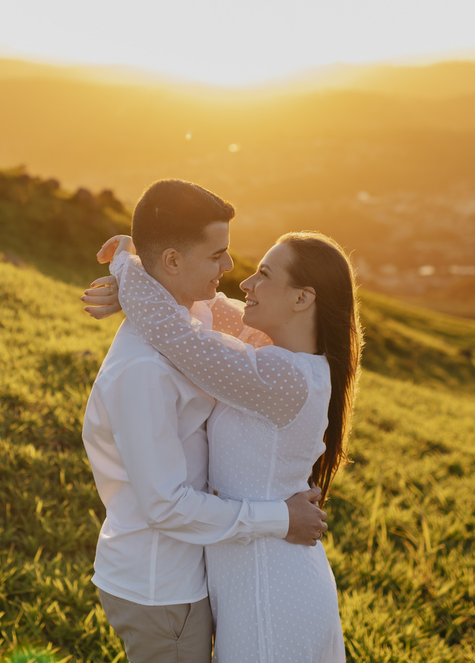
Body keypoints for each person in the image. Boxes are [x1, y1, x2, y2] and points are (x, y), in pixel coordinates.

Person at [84, 219, 362, 663]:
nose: (246, 282)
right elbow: (198, 305)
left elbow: (175, 334)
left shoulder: (284, 377)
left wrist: (126, 262)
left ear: (302, 298)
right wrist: (147, 278)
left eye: (265, 275)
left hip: (271, 590)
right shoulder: (269, 350)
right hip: (246, 580)